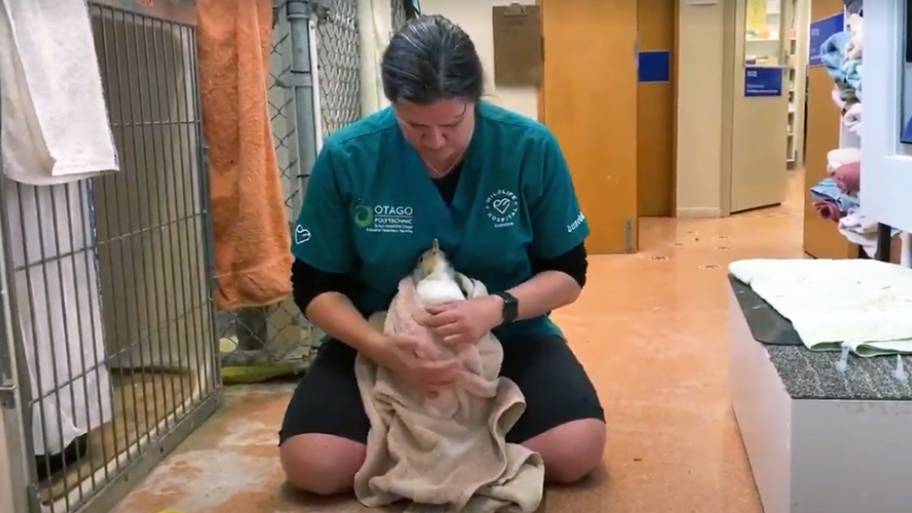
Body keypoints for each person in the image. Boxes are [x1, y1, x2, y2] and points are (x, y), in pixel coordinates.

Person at [278, 14, 605, 495]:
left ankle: (453, 433)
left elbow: (568, 272)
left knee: (576, 450)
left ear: (475, 100)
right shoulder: (349, 157)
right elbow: (313, 285)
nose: (435, 143)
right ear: (392, 105)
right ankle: (441, 434)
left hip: (507, 332)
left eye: (452, 123)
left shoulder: (529, 148)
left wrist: (495, 309)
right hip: (380, 334)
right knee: (314, 465)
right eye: (414, 126)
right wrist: (385, 350)